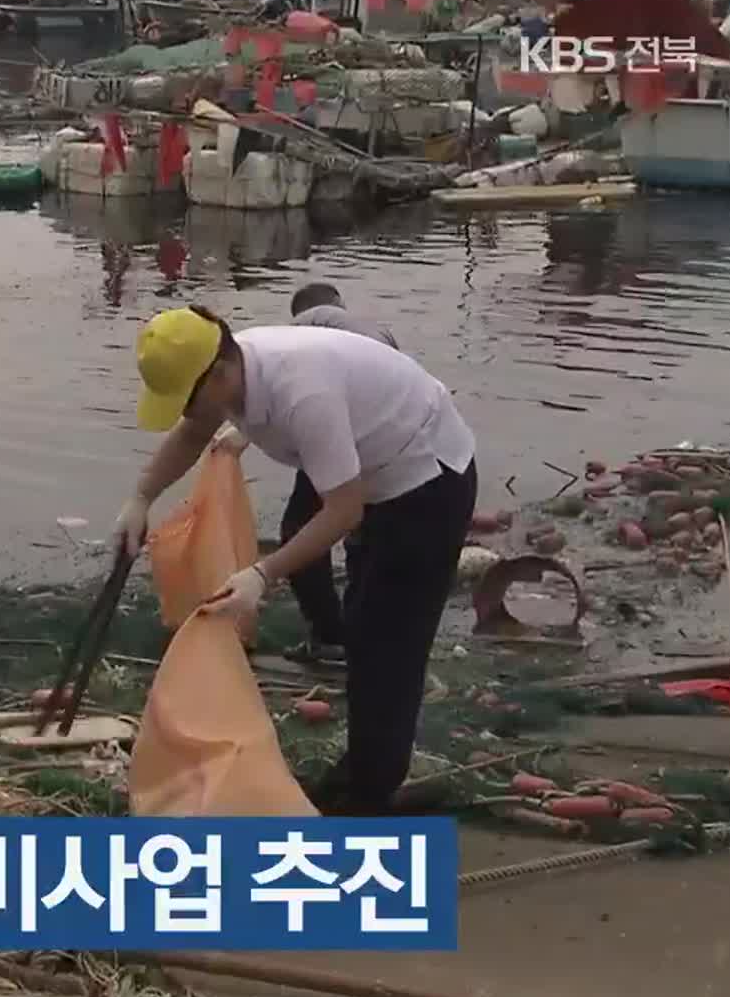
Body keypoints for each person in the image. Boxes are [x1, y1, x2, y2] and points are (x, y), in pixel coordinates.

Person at [112, 305, 476, 815]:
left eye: (185, 400)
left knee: (388, 643)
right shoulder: (233, 372)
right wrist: (141, 499)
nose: (183, 413)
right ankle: (366, 771)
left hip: (427, 480)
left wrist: (263, 573)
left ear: (218, 372)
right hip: (373, 473)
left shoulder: (302, 393)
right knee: (365, 627)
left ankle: (369, 799)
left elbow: (343, 511)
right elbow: (194, 432)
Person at [278, 282, 400, 667]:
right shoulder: (375, 331)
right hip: (395, 439)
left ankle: (331, 638)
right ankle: (364, 636)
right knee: (362, 537)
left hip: (343, 432)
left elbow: (292, 386)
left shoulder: (309, 326)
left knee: (301, 531)